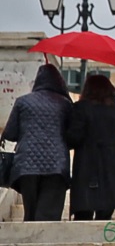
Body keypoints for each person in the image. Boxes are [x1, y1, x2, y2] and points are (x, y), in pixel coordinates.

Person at [1, 64, 72, 221]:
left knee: (31, 214)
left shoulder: (22, 102)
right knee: (49, 216)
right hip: (56, 166)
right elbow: (72, 135)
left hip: (27, 166)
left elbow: (10, 134)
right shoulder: (65, 104)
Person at [66, 74, 115, 221]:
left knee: (84, 208)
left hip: (88, 160)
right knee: (107, 204)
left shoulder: (81, 108)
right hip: (114, 158)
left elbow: (74, 137)